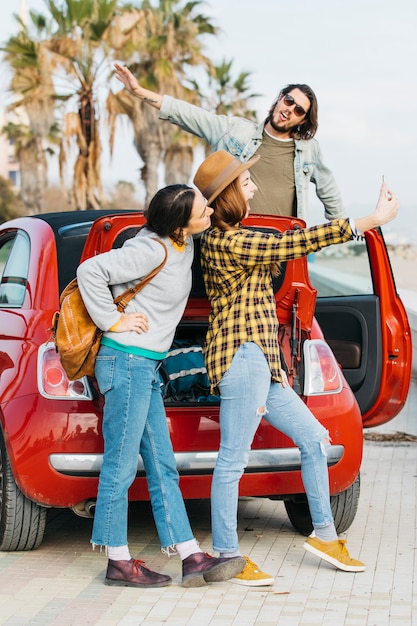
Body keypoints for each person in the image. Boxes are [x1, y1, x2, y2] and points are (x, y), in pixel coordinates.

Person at [191, 150, 399, 586]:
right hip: (241, 356)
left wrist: (276, 364)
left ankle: (325, 534)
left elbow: (260, 306)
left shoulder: (231, 236)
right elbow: (294, 243)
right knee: (232, 460)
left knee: (315, 440)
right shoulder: (230, 240)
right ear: (228, 192)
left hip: (259, 358)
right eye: (244, 180)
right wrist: (370, 220)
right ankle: (227, 554)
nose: (251, 184)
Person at [76, 184, 245, 588]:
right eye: (203, 209)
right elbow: (90, 271)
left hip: (146, 367)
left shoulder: (183, 239)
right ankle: (117, 561)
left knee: (162, 464)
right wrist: (112, 321)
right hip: (126, 362)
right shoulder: (150, 249)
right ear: (180, 222)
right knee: (120, 465)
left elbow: (217, 192)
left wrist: (241, 187)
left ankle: (190, 555)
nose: (209, 211)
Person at [113, 63, 344, 221]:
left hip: (281, 247)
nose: (289, 109)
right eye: (289, 100)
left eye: (298, 109)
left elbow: (330, 193)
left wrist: (356, 231)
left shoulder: (309, 151)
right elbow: (189, 115)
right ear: (279, 99)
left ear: (303, 120)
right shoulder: (236, 130)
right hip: (232, 240)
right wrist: (139, 91)